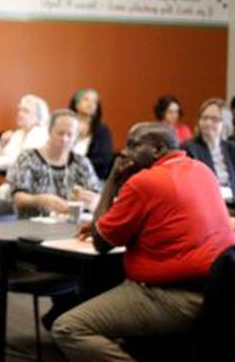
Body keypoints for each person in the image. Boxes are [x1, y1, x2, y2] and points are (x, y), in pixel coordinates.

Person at [52, 122, 235, 361]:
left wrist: (113, 180)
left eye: (133, 145)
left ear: (158, 149)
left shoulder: (144, 182)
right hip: (219, 292)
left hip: (173, 295)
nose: (124, 153)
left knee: (69, 327)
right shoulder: (201, 170)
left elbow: (101, 242)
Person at [8, 109, 101, 218]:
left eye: (70, 135)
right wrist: (39, 200)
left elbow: (97, 196)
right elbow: (18, 197)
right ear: (49, 131)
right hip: (32, 225)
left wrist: (92, 200)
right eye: (60, 133)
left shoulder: (81, 163)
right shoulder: (28, 158)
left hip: (71, 225)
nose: (65, 139)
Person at [0, 94, 50, 173]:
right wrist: (2, 144)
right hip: (12, 174)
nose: (20, 114)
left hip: (28, 180)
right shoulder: (19, 133)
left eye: (26, 111)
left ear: (39, 117)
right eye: (20, 110)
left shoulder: (40, 134)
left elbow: (22, 160)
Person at [182, 98, 235, 197]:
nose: (208, 123)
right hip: (206, 202)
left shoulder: (231, 148)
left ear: (225, 123)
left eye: (214, 119)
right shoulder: (189, 148)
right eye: (204, 118)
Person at [69, 88, 114, 179]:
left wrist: (77, 166)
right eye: (86, 100)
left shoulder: (102, 131)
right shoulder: (65, 125)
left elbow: (104, 159)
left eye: (94, 102)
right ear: (76, 103)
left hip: (91, 176)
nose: (91, 105)